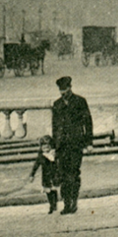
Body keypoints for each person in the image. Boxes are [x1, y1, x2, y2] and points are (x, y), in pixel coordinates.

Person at [52, 76, 93, 215]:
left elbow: (88, 123)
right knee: (63, 175)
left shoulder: (80, 102)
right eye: (61, 90)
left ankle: (74, 202)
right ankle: (66, 204)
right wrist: (53, 146)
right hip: (61, 147)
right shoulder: (57, 105)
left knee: (73, 174)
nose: (63, 92)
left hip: (76, 145)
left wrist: (88, 143)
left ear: (70, 87)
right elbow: (55, 127)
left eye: (65, 89)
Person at [28, 135, 60, 214]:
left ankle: (54, 204)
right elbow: (36, 166)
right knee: (48, 191)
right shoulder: (41, 157)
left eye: (47, 147)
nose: (46, 149)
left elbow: (60, 164)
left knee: (53, 190)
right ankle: (51, 205)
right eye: (44, 147)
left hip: (54, 175)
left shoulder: (54, 155)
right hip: (46, 176)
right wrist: (32, 175)